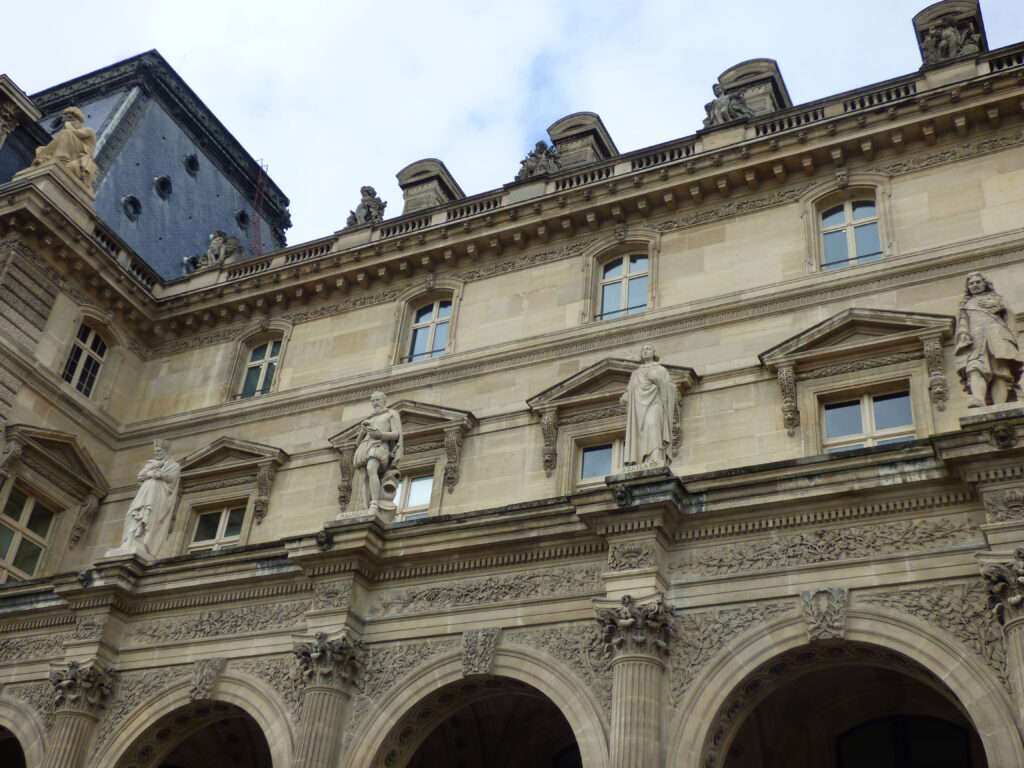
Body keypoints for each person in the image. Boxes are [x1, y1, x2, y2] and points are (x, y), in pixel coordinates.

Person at [954, 272, 1023, 407]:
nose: (975, 285)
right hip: (976, 340)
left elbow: (1009, 316)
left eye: (978, 282)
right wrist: (963, 333)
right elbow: (963, 322)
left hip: (997, 337)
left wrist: (999, 306)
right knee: (974, 367)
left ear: (985, 283)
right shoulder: (966, 304)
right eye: (971, 283)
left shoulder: (996, 298)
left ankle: (1000, 405)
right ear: (968, 287)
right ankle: (978, 400)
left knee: (1000, 372)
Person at [106, 440, 181, 559]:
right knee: (133, 514)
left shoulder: (173, 465)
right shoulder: (150, 464)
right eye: (155, 451)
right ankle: (128, 542)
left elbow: (172, 478)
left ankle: (140, 542)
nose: (156, 453)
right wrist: (152, 469)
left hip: (158, 494)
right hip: (145, 491)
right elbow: (140, 476)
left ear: (165, 451)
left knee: (149, 517)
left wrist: (160, 475)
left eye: (159, 451)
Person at [620, 344, 677, 467]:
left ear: (654, 353)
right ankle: (641, 460)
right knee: (640, 432)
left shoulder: (660, 370)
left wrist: (657, 379)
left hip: (655, 403)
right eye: (643, 349)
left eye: (648, 349)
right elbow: (629, 389)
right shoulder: (635, 373)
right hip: (638, 408)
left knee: (653, 424)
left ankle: (656, 456)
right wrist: (625, 397)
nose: (645, 351)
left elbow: (671, 388)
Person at [352, 392, 403, 512]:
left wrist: (381, 434)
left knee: (371, 468)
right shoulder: (369, 418)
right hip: (364, 447)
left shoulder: (391, 414)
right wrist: (362, 431)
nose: (375, 403)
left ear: (384, 401)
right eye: (373, 400)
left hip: (379, 446)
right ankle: (366, 506)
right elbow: (357, 443)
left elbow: (396, 434)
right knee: (364, 476)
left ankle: (374, 503)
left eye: (377, 400)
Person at [30, 106, 98, 187]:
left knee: (66, 133)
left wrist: (68, 125)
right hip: (74, 150)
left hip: (83, 153)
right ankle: (44, 158)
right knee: (41, 149)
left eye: (71, 119)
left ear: (79, 120)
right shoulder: (69, 136)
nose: (70, 122)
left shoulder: (89, 130)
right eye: (67, 119)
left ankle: (62, 160)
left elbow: (76, 133)